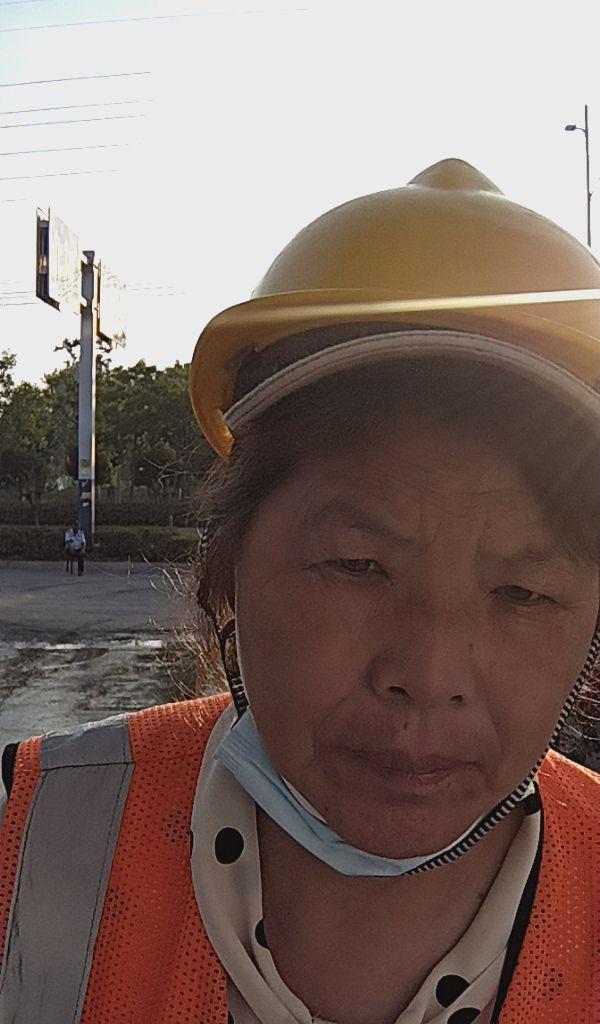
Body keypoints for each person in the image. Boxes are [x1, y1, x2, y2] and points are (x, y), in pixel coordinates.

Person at [1, 158, 600, 1024]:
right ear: (228, 564)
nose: (428, 674)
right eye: (357, 566)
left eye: (522, 591)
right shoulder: (29, 837)